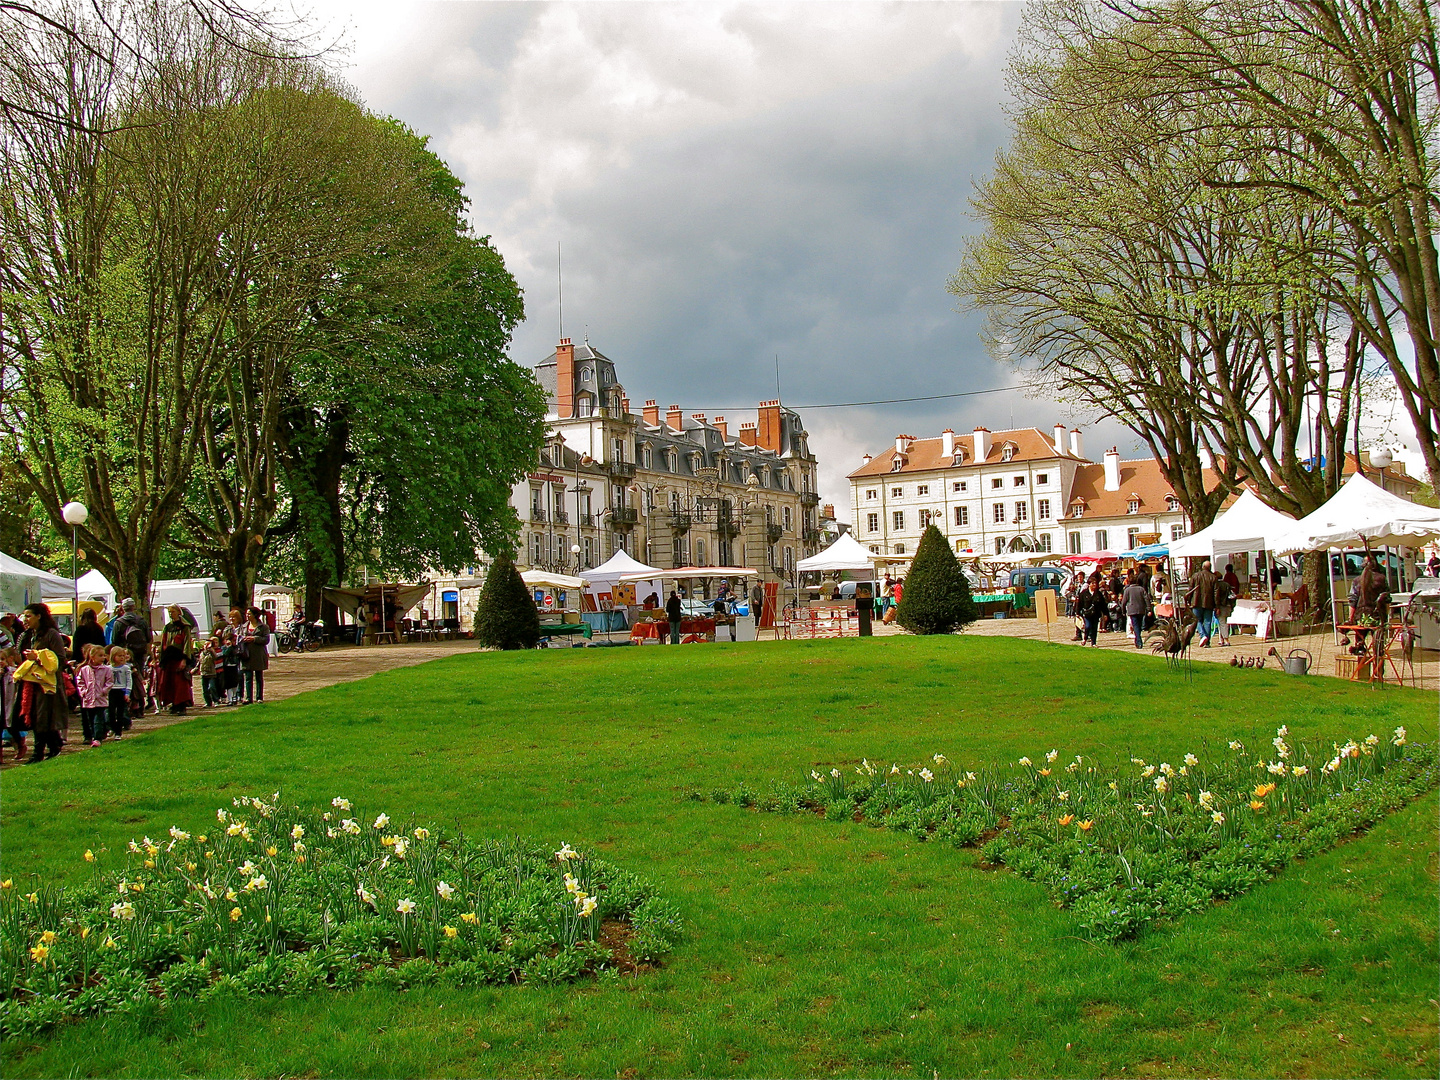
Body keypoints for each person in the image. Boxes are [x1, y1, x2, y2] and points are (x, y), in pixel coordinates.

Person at [12, 603, 71, 762]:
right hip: (30, 683)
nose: (26, 619)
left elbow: (60, 660)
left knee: (42, 718)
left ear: (39, 616)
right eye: (24, 616)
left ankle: (38, 753)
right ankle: (54, 745)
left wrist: (38, 658)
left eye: (29, 616)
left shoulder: (51, 634)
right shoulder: (26, 635)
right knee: (33, 717)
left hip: (46, 684)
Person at [108, 599, 151, 717]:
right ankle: (140, 707)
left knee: (125, 679)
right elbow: (148, 638)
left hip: (124, 655)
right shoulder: (141, 621)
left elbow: (114, 641)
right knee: (138, 679)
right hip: (139, 653)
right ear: (134, 607)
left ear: (122, 608)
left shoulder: (119, 622)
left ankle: (129, 707)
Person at [156, 605, 195, 715]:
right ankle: (173, 704)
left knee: (180, 683)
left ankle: (181, 705)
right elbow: (163, 643)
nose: (170, 614)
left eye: (172, 611)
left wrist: (184, 659)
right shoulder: (167, 627)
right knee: (169, 682)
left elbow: (187, 644)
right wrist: (161, 658)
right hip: (169, 658)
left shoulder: (184, 627)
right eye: (169, 612)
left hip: (179, 657)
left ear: (178, 612)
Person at [76, 643, 113, 746]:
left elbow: (109, 681)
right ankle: (93, 735)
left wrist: (104, 691)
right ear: (92, 657)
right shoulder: (84, 670)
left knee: (98, 718)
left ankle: (97, 738)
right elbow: (80, 681)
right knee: (90, 719)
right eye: (100, 655)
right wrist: (83, 691)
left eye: (104, 655)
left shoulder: (106, 669)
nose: (103, 658)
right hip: (88, 699)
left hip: (100, 699)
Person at [1186, 559, 1218, 647]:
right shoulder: (1213, 577)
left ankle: (1203, 635)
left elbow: (1190, 590)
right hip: (1209, 602)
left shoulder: (1195, 576)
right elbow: (1216, 592)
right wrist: (1216, 605)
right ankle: (1207, 642)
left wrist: (1188, 601)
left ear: (1202, 567)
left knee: (1197, 620)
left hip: (1196, 601)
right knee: (1207, 621)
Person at [241, 606, 270, 703]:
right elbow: (239, 637)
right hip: (247, 654)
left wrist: (254, 639)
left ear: (255, 615)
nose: (247, 616)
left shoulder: (263, 627)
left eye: (249, 614)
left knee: (259, 677)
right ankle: (248, 697)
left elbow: (266, 640)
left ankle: (259, 697)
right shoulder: (244, 626)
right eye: (246, 614)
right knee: (248, 677)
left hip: (258, 654)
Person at [221, 609, 244, 704]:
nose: (231, 619)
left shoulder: (242, 629)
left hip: (238, 653)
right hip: (228, 655)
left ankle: (239, 695)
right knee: (229, 678)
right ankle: (231, 697)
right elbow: (224, 640)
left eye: (233, 617)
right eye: (230, 617)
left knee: (239, 675)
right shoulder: (227, 629)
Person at [107, 646, 132, 738]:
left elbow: (129, 681)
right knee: (111, 711)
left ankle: (118, 732)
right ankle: (112, 728)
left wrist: (127, 692)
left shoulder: (126, 668)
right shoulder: (108, 668)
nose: (122, 658)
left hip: (121, 690)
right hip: (111, 691)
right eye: (119, 656)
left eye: (123, 656)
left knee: (121, 712)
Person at [1123, 573, 1152, 648]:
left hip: (1132, 610)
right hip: (1141, 609)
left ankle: (1138, 641)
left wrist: (1123, 611)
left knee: (1136, 626)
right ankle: (1138, 640)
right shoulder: (1141, 589)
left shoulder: (1127, 590)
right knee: (1138, 625)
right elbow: (1146, 599)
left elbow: (1124, 601)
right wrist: (1149, 609)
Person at [1075, 578, 1106, 647]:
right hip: (1087, 614)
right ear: (1089, 584)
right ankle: (1085, 638)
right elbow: (1079, 603)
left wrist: (1105, 614)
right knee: (1088, 626)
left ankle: (1093, 642)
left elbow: (1103, 604)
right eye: (1093, 583)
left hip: (1096, 613)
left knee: (1094, 628)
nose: (1094, 585)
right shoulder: (1083, 593)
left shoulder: (1098, 594)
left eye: (1095, 583)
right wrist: (1077, 613)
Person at [1213, 574, 1235, 646]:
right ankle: (1221, 639)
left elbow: (1217, 597)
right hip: (1228, 605)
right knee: (1221, 622)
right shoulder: (1227, 584)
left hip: (1221, 606)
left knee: (1222, 623)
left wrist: (1217, 607)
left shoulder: (1217, 585)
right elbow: (1232, 595)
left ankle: (1226, 640)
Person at [198, 639, 220, 707]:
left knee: (212, 687)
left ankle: (216, 700)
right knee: (205, 690)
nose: (206, 646)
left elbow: (216, 657)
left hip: (211, 673)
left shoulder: (212, 653)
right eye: (205, 644)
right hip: (204, 673)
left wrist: (211, 650)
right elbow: (199, 662)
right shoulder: (202, 653)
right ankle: (208, 702)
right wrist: (195, 669)